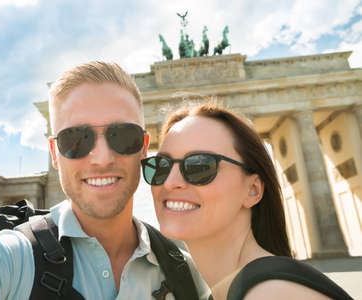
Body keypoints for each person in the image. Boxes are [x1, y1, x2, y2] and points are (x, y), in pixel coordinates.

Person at [0, 62, 210, 300]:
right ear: (55, 153)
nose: (101, 158)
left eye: (123, 136)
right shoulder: (13, 258)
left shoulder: (189, 275)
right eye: (76, 139)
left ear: (144, 148)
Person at [141, 104, 353, 300]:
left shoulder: (271, 294)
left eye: (199, 166)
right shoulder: (242, 288)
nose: (170, 182)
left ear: (252, 190)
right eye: (161, 166)